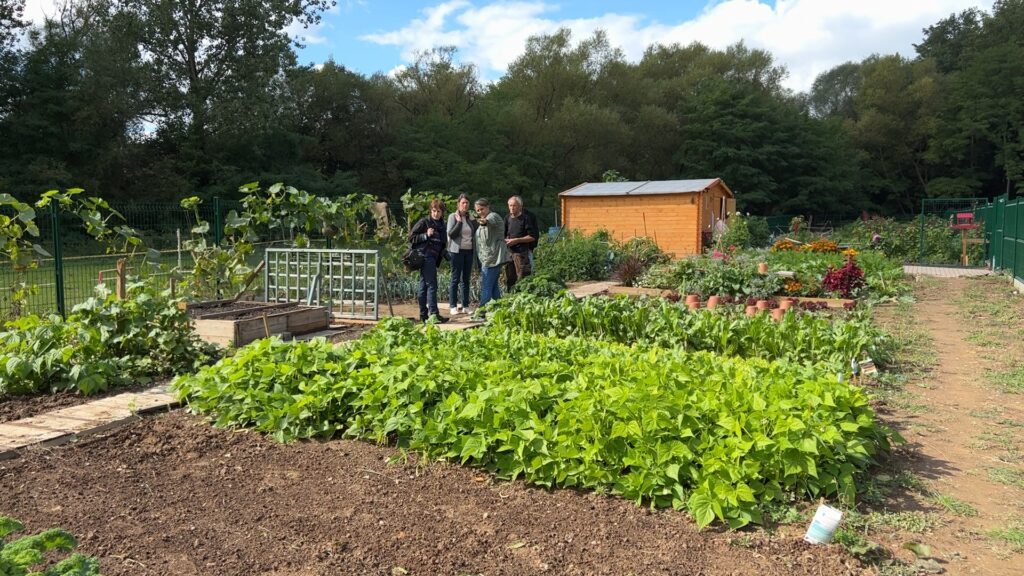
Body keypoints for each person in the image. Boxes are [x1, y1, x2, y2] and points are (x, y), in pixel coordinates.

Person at [408, 199, 448, 323]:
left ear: (442, 212)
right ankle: (433, 314)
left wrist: (445, 254)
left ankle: (423, 315)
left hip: (433, 257)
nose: (436, 214)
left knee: (424, 285)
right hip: (425, 256)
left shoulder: (442, 225)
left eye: (438, 211)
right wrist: (425, 235)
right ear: (430, 211)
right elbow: (411, 238)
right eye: (434, 211)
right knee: (432, 285)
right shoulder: (424, 222)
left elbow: (441, 243)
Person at [474, 198, 510, 311]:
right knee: (493, 286)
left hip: (493, 258)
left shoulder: (492, 216)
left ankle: (481, 311)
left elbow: (488, 222)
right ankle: (499, 309)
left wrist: (482, 221)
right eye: (478, 210)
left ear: (488, 207)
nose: (480, 212)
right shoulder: (483, 219)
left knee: (486, 286)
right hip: (487, 258)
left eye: (482, 209)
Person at [446, 193, 477, 316]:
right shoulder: (452, 217)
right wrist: (459, 223)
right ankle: (453, 305)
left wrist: (474, 220)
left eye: (467, 203)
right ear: (458, 204)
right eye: (463, 203)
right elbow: (451, 235)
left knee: (466, 279)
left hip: (468, 251)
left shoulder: (470, 218)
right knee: (455, 278)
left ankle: (465, 305)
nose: (465, 205)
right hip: (456, 252)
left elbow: (477, 229)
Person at [504, 195, 539, 291]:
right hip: (510, 253)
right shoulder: (507, 218)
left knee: (523, 278)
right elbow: (505, 234)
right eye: (510, 205)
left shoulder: (526, 218)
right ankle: (510, 298)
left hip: (522, 253)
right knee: (510, 278)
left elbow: (532, 237)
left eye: (514, 205)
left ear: (520, 206)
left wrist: (517, 240)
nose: (512, 208)